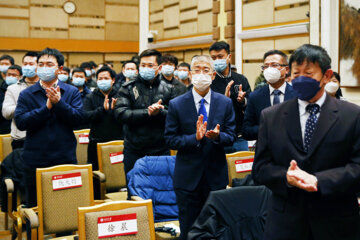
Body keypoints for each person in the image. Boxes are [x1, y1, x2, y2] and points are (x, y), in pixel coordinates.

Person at [252, 44, 360, 240]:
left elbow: (357, 167)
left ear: (326, 76)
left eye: (308, 74)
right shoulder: (271, 116)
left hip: (336, 222)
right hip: (286, 223)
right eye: (296, 73)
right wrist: (286, 176)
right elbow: (260, 169)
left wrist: (319, 180)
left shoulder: (352, 116)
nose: (301, 79)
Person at [165, 55, 236, 239]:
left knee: (216, 229)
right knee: (189, 230)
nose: (201, 74)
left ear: (213, 76)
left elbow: (231, 136)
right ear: (189, 74)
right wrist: (194, 138)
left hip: (215, 177)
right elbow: (170, 139)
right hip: (187, 178)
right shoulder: (176, 104)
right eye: (197, 70)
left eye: (206, 70)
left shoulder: (225, 103)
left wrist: (218, 136)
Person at [14, 47, 83, 207]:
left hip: (64, 157)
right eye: (41, 64)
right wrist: (46, 108)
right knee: (34, 207)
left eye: (49, 64)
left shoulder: (71, 91)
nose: (44, 67)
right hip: (35, 158)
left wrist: (59, 104)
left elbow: (78, 119)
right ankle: (34, 233)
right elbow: (21, 123)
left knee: (65, 206)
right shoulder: (27, 94)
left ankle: (62, 233)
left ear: (59, 69)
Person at [114, 49, 176, 182]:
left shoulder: (169, 89)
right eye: (143, 65)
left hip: (160, 149)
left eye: (150, 65)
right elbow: (120, 113)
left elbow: (175, 116)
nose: (145, 68)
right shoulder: (128, 88)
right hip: (135, 149)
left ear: (159, 68)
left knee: (162, 191)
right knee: (135, 191)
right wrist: (147, 113)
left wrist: (160, 112)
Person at [242, 50, 296, 141]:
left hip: (293, 151)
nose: (269, 69)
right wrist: (268, 128)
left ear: (286, 69)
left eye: (274, 65)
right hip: (265, 151)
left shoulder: (298, 95)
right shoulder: (255, 97)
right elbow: (246, 131)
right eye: (266, 66)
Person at [209, 41, 251, 153]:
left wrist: (242, 101)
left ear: (229, 57)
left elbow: (250, 106)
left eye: (220, 56)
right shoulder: (209, 81)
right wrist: (224, 100)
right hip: (219, 137)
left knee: (243, 169)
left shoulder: (241, 79)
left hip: (240, 137)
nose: (217, 60)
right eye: (213, 58)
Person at [83, 66, 123, 170]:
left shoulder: (120, 95)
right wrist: (102, 110)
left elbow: (125, 117)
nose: (103, 81)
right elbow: (86, 116)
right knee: (95, 173)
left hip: (117, 141)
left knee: (116, 172)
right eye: (100, 79)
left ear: (113, 80)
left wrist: (115, 110)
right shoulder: (90, 97)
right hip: (96, 141)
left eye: (106, 78)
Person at [2, 52, 39, 150]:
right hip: (21, 140)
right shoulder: (12, 88)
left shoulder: (46, 87)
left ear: (39, 66)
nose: (27, 67)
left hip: (43, 138)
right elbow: (6, 113)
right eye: (25, 64)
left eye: (31, 64)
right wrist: (24, 105)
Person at [0, 65, 22, 135]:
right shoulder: (1, 89)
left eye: (14, 75)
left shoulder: (23, 90)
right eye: (9, 74)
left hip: (19, 129)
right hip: (3, 128)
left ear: (20, 77)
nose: (11, 77)